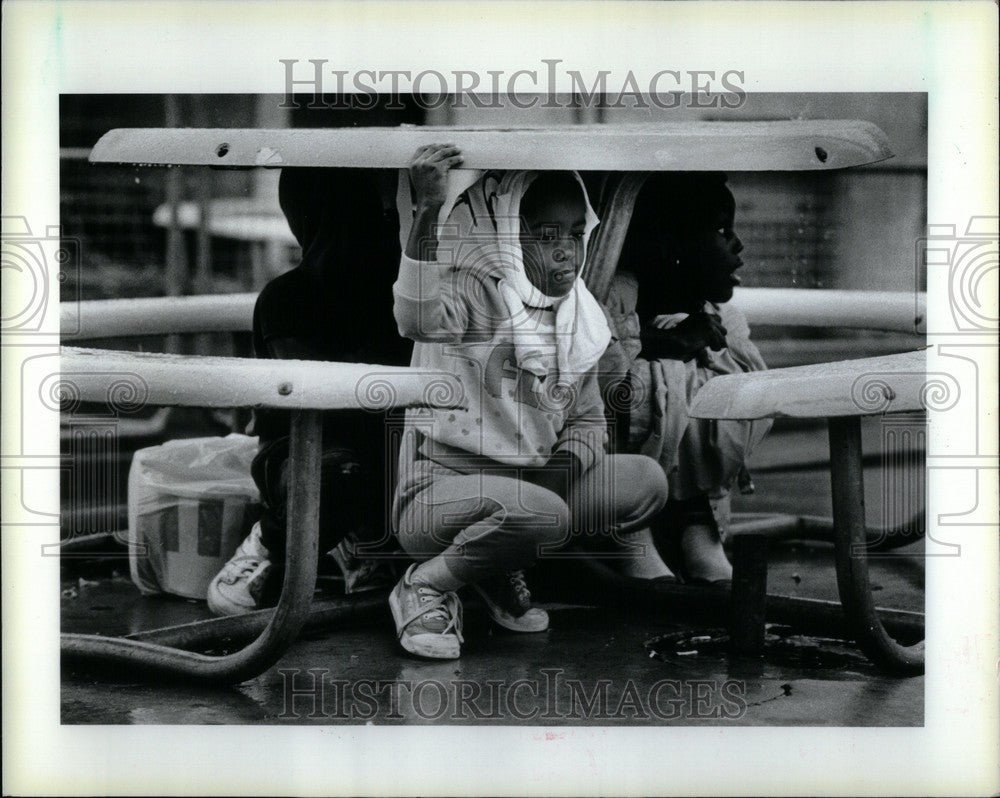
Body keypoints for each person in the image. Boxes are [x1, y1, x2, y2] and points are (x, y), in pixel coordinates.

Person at [388, 145, 670, 660]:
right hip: (436, 498)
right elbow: (416, 318)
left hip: (527, 494)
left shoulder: (577, 315)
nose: (565, 250)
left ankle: (496, 561)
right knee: (538, 514)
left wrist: (544, 492)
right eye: (544, 235)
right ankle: (424, 584)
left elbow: (587, 422)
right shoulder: (472, 290)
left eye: (574, 233)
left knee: (646, 482)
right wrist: (428, 211)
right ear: (507, 234)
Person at [207, 167, 411, 616]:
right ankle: (269, 543)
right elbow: (320, 394)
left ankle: (367, 546)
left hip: (387, 447)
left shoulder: (402, 290)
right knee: (340, 473)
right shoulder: (289, 297)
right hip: (306, 451)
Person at [603, 172, 772, 585]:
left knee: (725, 387)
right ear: (672, 245)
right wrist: (667, 344)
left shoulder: (720, 315)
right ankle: (630, 529)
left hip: (692, 480)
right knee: (653, 386)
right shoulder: (621, 293)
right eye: (720, 231)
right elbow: (607, 363)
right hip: (626, 474)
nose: (737, 244)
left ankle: (701, 526)